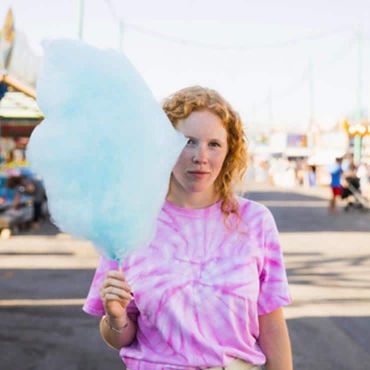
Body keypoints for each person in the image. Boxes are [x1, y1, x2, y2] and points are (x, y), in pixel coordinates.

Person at [83, 86, 293, 370]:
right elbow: (118, 337)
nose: (200, 156)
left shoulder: (255, 221)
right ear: (163, 146)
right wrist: (116, 317)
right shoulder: (129, 223)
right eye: (187, 142)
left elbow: (272, 325)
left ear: (230, 151)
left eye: (214, 144)